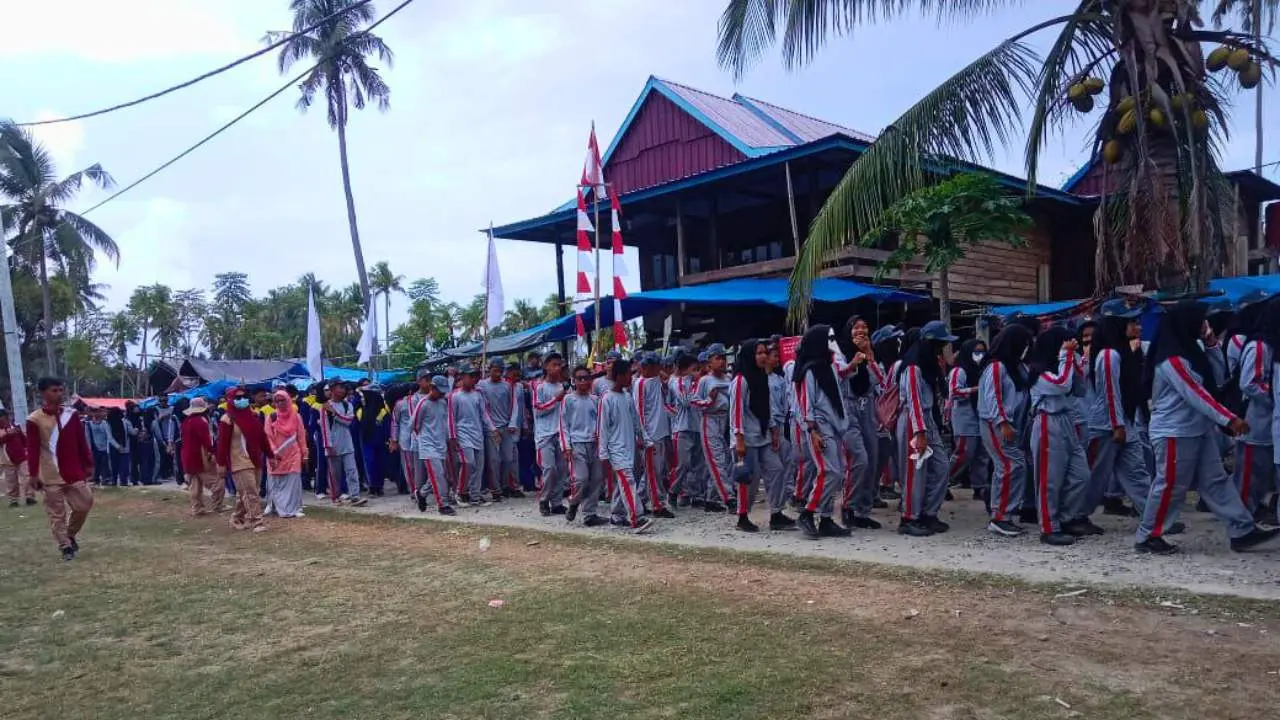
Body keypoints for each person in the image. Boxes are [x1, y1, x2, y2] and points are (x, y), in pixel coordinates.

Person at [1135, 300, 1279, 555]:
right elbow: (1196, 394)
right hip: (1174, 432)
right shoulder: (1172, 359)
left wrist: (1212, 344)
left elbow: (1219, 377)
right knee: (1170, 484)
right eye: (1201, 320)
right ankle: (1148, 535)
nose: (1205, 324)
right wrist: (1229, 419)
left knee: (1216, 482)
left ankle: (1242, 530)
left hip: (1197, 430)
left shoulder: (1193, 349)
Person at [1026, 326, 1094, 546]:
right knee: (1050, 480)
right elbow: (1061, 385)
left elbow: (1080, 389)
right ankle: (1049, 527)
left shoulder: (1064, 364)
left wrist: (1075, 360)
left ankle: (1066, 517)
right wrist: (1065, 356)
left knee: (1081, 475)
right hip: (1048, 420)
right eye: (1065, 343)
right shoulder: (1039, 373)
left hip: (1066, 420)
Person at [1086, 299, 1153, 521]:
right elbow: (1110, 392)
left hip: (1124, 421)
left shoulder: (1123, 353)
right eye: (1132, 322)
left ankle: (1152, 516)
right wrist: (1117, 425)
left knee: (1136, 471)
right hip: (1108, 425)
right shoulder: (1109, 355)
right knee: (1096, 475)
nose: (1138, 327)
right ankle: (1076, 515)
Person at [896, 321, 956, 537]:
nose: (942, 349)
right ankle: (909, 517)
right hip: (914, 422)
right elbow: (913, 401)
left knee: (941, 467)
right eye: (940, 344)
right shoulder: (913, 367)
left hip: (927, 418)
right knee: (915, 472)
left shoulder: (928, 365)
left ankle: (928, 513)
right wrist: (919, 432)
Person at [26, 377, 94, 561]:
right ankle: (65, 546)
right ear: (43, 393)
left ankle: (70, 535)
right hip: (49, 473)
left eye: (60, 390)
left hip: (73, 471)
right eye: (54, 390)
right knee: (57, 513)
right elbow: (32, 449)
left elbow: (81, 442)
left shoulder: (71, 415)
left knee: (84, 504)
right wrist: (33, 474)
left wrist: (88, 463)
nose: (58, 394)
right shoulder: (34, 420)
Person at [793, 325, 851, 539]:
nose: (832, 343)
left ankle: (826, 519)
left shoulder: (828, 366)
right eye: (828, 339)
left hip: (834, 426)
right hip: (820, 427)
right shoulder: (809, 370)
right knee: (829, 471)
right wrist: (813, 430)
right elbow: (806, 403)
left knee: (839, 472)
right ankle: (808, 512)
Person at [979, 324, 1035, 537]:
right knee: (1011, 465)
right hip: (996, 425)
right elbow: (993, 396)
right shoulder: (996, 367)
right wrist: (1002, 422)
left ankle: (1004, 512)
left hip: (1013, 425)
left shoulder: (1017, 367)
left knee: (1009, 467)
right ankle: (1000, 516)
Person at [730, 338, 790, 532]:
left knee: (777, 469)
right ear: (750, 356)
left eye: (765, 352)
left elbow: (766, 406)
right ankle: (742, 516)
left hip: (763, 435)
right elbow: (736, 411)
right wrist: (739, 439)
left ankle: (777, 513)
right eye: (759, 353)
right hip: (746, 438)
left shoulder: (762, 376)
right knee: (749, 479)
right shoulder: (741, 380)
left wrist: (773, 429)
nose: (763, 356)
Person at [598, 358, 655, 533]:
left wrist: (646, 440)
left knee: (624, 482)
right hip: (616, 449)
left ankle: (617, 514)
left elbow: (637, 422)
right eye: (628, 374)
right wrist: (603, 453)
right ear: (619, 376)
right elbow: (602, 428)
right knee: (628, 480)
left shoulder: (627, 397)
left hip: (629, 447)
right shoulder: (607, 399)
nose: (631, 378)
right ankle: (636, 518)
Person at [835, 316, 881, 530]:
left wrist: (869, 354)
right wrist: (855, 359)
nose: (861, 330)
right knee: (859, 458)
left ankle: (863, 511)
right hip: (848, 409)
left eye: (864, 327)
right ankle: (848, 506)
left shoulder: (870, 353)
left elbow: (880, 380)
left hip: (867, 409)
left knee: (872, 460)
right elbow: (841, 375)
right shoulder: (839, 352)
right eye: (856, 327)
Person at [1236, 298, 1278, 520]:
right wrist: (1274, 398)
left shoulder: (1272, 343)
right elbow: (1249, 382)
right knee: (1249, 476)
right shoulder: (1260, 346)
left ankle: (1255, 510)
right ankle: (1242, 520)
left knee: (1263, 474)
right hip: (1257, 422)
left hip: (1269, 422)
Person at [216, 387, 271, 532]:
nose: (242, 400)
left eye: (244, 397)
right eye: (238, 398)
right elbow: (222, 444)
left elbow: (262, 437)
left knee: (248, 492)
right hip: (239, 461)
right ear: (230, 400)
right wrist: (221, 464)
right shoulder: (227, 420)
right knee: (250, 492)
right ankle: (256, 522)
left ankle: (237, 518)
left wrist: (270, 455)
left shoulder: (252, 416)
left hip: (255, 459)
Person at [692, 343, 734, 512]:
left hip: (725, 422)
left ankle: (711, 499)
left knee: (724, 459)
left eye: (724, 358)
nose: (722, 361)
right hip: (709, 421)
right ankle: (729, 498)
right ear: (710, 361)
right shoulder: (705, 380)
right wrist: (709, 400)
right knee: (717, 460)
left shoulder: (728, 379)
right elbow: (694, 402)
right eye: (718, 358)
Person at [947, 339, 990, 501]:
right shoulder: (959, 371)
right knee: (963, 454)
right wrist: (975, 390)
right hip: (964, 418)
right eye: (976, 351)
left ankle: (979, 486)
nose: (979, 355)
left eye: (982, 351)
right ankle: (942, 481)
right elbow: (954, 392)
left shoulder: (982, 371)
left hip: (980, 417)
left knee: (981, 455)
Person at [563, 365, 606, 526]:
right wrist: (566, 446)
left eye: (586, 378)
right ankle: (574, 502)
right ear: (574, 381)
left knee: (596, 478)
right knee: (581, 478)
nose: (582, 381)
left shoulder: (595, 400)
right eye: (579, 378)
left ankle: (590, 514)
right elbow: (563, 424)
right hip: (577, 444)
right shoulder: (569, 400)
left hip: (594, 443)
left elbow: (601, 422)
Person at [634, 352, 675, 518]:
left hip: (660, 431)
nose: (660, 369)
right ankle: (657, 505)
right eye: (657, 366)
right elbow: (639, 411)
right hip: (650, 434)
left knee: (655, 470)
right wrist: (642, 436)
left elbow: (666, 378)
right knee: (654, 472)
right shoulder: (641, 384)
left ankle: (639, 500)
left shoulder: (656, 379)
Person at [449, 367, 497, 505]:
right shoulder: (455, 396)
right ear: (463, 377)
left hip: (477, 434)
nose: (473, 379)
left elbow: (484, 414)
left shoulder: (478, 394)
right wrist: (453, 436)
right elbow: (451, 418)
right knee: (468, 463)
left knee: (478, 467)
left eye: (475, 376)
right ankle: (460, 492)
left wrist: (493, 429)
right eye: (471, 376)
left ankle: (475, 496)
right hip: (463, 434)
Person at [410, 375, 456, 515]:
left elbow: (445, 422)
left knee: (439, 475)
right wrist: (424, 439)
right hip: (428, 445)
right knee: (439, 475)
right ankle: (443, 504)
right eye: (439, 391)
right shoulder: (423, 404)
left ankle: (422, 493)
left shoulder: (442, 403)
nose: (441, 394)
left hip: (441, 444)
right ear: (432, 388)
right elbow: (414, 425)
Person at [532, 352, 569, 516]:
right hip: (544, 435)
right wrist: (555, 399)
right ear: (546, 366)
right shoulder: (539, 387)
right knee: (549, 469)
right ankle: (544, 499)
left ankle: (557, 502)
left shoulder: (563, 387)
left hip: (560, 434)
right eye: (554, 364)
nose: (557, 368)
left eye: (559, 365)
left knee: (562, 470)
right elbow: (537, 409)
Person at [477, 359, 518, 499]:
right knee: (493, 460)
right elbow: (482, 408)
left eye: (500, 371)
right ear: (489, 370)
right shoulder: (482, 385)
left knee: (508, 458)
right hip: (490, 428)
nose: (498, 373)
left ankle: (504, 484)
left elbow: (514, 405)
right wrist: (491, 427)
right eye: (495, 370)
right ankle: (495, 489)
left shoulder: (507, 386)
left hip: (505, 426)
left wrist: (512, 423)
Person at [320, 381, 366, 507]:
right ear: (332, 390)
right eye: (340, 387)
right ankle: (335, 496)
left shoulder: (347, 405)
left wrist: (334, 414)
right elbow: (324, 428)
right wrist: (328, 445)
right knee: (335, 474)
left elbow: (348, 421)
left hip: (347, 442)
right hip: (333, 444)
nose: (342, 390)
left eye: (343, 388)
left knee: (352, 470)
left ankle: (355, 496)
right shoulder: (325, 407)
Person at [668, 352, 704, 507]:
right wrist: (691, 381)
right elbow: (685, 401)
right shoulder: (677, 382)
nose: (697, 372)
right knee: (683, 464)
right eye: (693, 369)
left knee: (698, 465)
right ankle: (674, 490)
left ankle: (694, 495)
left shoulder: (697, 383)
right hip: (682, 428)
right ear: (684, 369)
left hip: (697, 426)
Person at [265, 389, 308, 518]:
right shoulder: (271, 417)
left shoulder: (296, 417)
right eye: (277, 401)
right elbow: (268, 437)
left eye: (282, 400)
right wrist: (273, 452)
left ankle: (295, 507)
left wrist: (305, 453)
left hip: (293, 453)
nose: (280, 403)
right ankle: (274, 505)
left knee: (293, 481)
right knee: (276, 481)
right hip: (276, 454)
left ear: (288, 400)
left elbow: (301, 436)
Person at [180, 398, 223, 515]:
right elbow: (206, 440)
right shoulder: (201, 421)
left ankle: (197, 508)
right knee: (215, 482)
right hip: (201, 456)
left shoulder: (186, 421)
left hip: (187, 456)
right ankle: (217, 505)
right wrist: (212, 452)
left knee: (195, 485)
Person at [390, 376, 429, 497]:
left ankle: (419, 489)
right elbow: (395, 422)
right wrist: (394, 440)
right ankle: (414, 490)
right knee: (409, 466)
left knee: (418, 467)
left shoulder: (423, 401)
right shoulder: (400, 404)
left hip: (419, 437)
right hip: (406, 439)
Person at [0, 409, 32, 507]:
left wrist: (27, 449)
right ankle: (13, 500)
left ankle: (30, 497)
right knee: (11, 481)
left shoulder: (14, 425)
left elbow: (23, 439)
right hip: (7, 458)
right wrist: (9, 433)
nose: (5, 419)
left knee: (27, 476)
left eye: (6, 416)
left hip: (21, 456)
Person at [151, 394, 180, 483]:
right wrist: (161, 417)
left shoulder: (172, 408)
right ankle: (162, 473)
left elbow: (176, 421)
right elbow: (154, 423)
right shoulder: (155, 409)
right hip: (161, 435)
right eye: (162, 401)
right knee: (162, 455)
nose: (163, 402)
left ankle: (170, 473)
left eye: (165, 400)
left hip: (171, 434)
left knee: (171, 456)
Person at [105, 408, 133, 488]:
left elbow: (129, 432)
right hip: (114, 447)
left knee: (125, 465)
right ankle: (114, 480)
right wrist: (117, 446)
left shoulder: (125, 422)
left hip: (124, 446)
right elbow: (110, 437)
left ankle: (124, 481)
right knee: (114, 465)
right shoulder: (108, 424)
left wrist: (135, 430)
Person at [86, 408, 111, 486]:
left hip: (104, 447)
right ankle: (96, 479)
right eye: (94, 412)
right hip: (94, 447)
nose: (96, 414)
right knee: (96, 464)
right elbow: (87, 437)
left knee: (104, 463)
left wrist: (108, 447)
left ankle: (105, 478)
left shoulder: (104, 423)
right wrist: (89, 448)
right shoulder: (88, 424)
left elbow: (108, 435)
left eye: (97, 412)